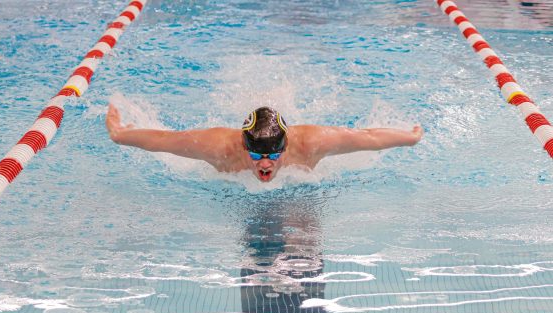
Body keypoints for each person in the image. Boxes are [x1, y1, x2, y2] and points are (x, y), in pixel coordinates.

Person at [106, 104, 423, 182]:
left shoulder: (310, 143)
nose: (265, 163)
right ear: (244, 146)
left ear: (286, 146)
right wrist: (120, 134)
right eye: (256, 153)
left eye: (273, 154)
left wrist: (408, 139)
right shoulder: (220, 147)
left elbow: (366, 138)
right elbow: (165, 141)